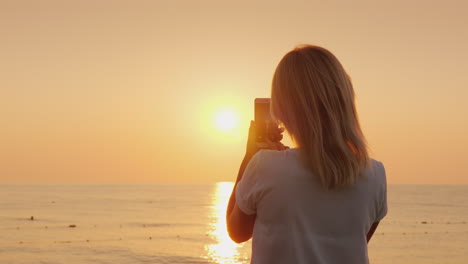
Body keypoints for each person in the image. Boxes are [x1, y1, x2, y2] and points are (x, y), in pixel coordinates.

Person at [226, 45, 387, 264]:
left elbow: (237, 232)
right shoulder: (375, 175)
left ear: (281, 108)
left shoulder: (265, 167)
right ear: (344, 100)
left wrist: (249, 156)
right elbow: (351, 244)